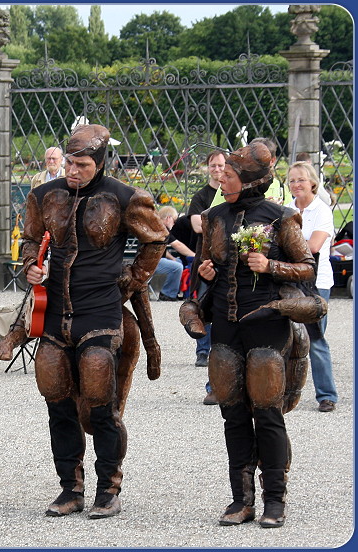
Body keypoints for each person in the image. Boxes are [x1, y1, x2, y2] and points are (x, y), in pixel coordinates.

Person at [21, 124, 167, 519]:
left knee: (101, 401)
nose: (72, 170)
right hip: (55, 312)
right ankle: (70, 487)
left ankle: (108, 488)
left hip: (100, 310)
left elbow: (156, 240)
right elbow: (31, 240)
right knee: (56, 399)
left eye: (82, 164)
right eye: (69, 162)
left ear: (100, 162)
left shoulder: (125, 197)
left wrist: (133, 279)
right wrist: (30, 266)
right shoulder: (43, 196)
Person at [184, 141, 321, 528]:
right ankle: (240, 500)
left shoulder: (281, 217)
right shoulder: (213, 217)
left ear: (249, 181)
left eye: (228, 174)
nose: (220, 177)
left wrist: (271, 264)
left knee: (267, 412)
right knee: (233, 415)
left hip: (267, 325)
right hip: (226, 328)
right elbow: (200, 267)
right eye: (222, 172)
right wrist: (205, 271)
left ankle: (274, 500)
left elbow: (306, 268)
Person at [286, 161, 338, 412]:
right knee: (285, 337)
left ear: (312, 183)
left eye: (301, 180)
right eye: (292, 180)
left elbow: (315, 246)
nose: (296, 184)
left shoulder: (321, 211)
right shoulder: (287, 209)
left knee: (315, 339)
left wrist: (290, 242)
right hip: (290, 278)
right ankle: (282, 391)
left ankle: (326, 394)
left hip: (317, 282)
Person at [188, 149, 225, 395]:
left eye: (221, 165)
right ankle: (203, 349)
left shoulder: (232, 192)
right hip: (205, 256)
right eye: (213, 165)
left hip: (224, 257)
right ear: (208, 168)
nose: (217, 169)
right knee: (202, 303)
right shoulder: (202, 195)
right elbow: (195, 224)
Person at [154, 206, 196, 301]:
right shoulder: (160, 230)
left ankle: (177, 291)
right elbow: (177, 245)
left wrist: (173, 258)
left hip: (156, 260)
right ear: (168, 218)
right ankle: (167, 294)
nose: (175, 223)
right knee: (177, 267)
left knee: (178, 262)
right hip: (151, 262)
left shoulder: (159, 229)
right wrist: (194, 255)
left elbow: (162, 250)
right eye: (174, 220)